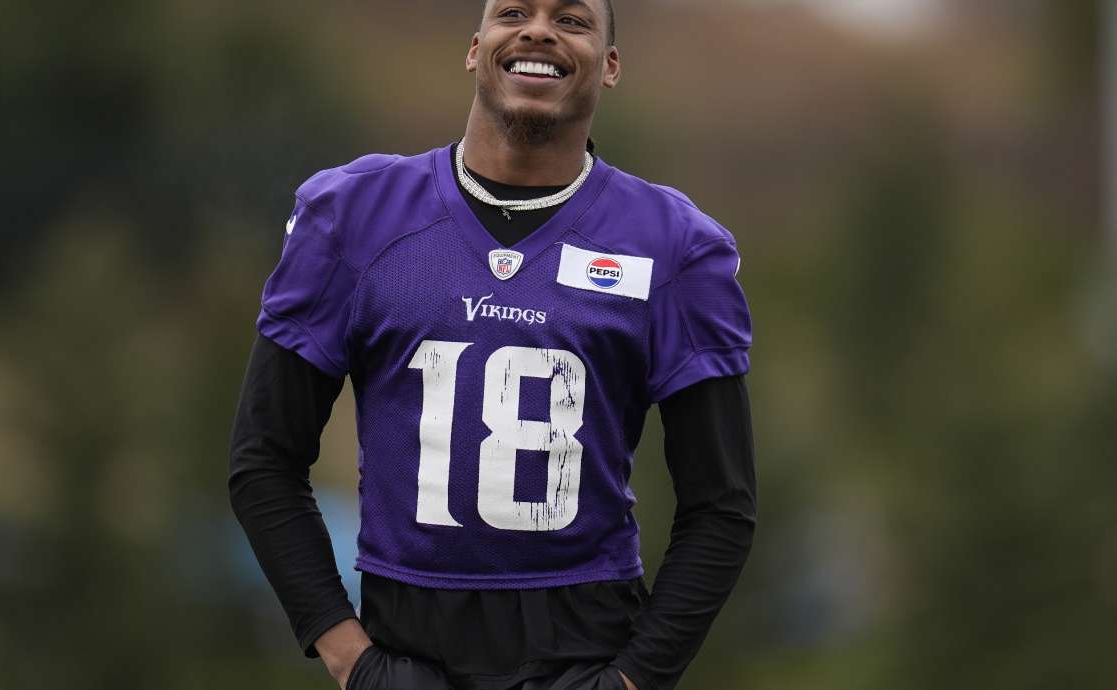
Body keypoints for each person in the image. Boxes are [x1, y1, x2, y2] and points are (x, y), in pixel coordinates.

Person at [228, 1, 757, 688]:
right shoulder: (356, 215)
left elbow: (721, 506)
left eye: (572, 19)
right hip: (404, 645)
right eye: (514, 11)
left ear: (612, 65)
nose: (539, 29)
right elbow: (263, 459)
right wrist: (349, 658)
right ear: (476, 48)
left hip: (583, 642)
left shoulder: (673, 247)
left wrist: (634, 680)